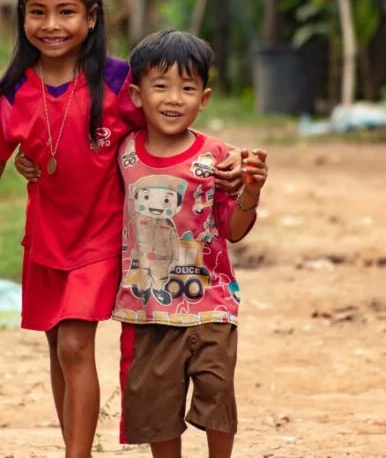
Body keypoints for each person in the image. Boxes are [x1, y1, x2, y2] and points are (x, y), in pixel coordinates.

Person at [0, 0, 244, 458]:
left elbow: (172, 119)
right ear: (22, 17)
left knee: (75, 344)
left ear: (91, 17)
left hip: (103, 236)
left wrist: (227, 163)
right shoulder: (13, 93)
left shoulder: (118, 82)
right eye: (37, 11)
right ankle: (74, 445)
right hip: (44, 239)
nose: (51, 24)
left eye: (66, 11)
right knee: (57, 351)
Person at [114, 30, 268, 458]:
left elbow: (232, 230)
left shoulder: (218, 157)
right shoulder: (124, 154)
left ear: (204, 98)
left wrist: (251, 193)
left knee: (217, 395)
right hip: (147, 309)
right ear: (137, 94)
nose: (173, 98)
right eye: (160, 85)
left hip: (211, 304)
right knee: (157, 406)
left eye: (187, 88)